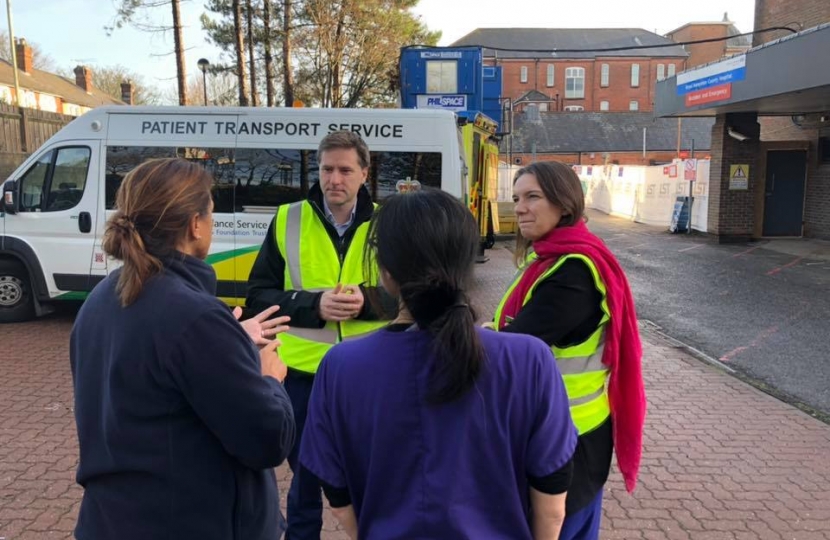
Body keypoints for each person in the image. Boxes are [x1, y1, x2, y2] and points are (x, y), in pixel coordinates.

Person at [299, 188, 578, 540]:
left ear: (385, 271)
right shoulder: (530, 360)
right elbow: (551, 503)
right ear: (465, 266)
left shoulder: (340, 366)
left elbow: (337, 494)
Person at [70, 158, 296, 540]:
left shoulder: (103, 295)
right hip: (188, 523)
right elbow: (266, 440)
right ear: (195, 224)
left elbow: (156, 372)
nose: (212, 222)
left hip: (113, 520)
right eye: (210, 212)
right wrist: (268, 378)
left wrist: (231, 341)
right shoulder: (194, 317)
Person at [246, 130, 394, 540]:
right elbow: (259, 296)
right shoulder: (288, 218)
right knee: (306, 482)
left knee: (370, 478)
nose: (334, 179)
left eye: (345, 170)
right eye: (327, 169)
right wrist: (314, 306)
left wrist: (367, 302)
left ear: (364, 173)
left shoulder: (389, 223)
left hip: (368, 377)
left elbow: (412, 296)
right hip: (302, 376)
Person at [492, 161, 646, 539]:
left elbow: (513, 349)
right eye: (516, 198)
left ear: (563, 204)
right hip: (566, 432)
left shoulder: (572, 272)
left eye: (532, 197)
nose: (520, 207)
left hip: (568, 440)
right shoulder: (552, 257)